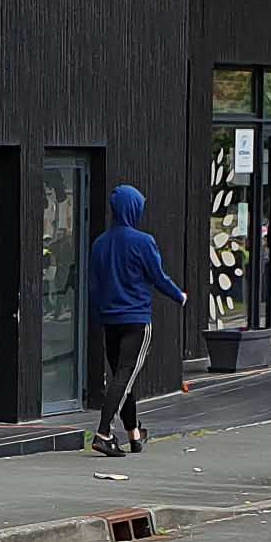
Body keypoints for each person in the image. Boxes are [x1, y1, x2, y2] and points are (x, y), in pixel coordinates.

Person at [86, 184, 184, 455]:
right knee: (124, 377)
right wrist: (179, 296)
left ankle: (133, 434)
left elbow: (94, 285)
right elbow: (158, 277)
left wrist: (100, 314)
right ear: (133, 208)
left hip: (109, 321)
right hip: (137, 320)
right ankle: (104, 432)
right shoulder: (143, 241)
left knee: (121, 376)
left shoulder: (99, 243)